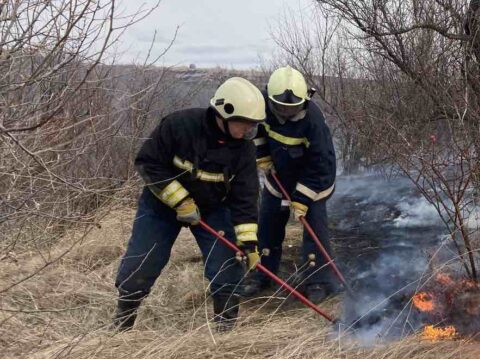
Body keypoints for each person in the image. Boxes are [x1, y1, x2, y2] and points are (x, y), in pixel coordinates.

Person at [112, 77, 265, 332]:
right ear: (223, 113)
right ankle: (122, 324)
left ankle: (225, 333)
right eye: (245, 123)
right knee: (143, 261)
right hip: (162, 205)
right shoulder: (178, 126)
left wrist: (248, 243)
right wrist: (181, 202)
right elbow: (148, 163)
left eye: (253, 125)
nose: (248, 130)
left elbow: (246, 197)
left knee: (228, 265)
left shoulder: (244, 150)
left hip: (214, 208)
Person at [240, 66, 338, 301]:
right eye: (281, 107)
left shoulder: (314, 122)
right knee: (268, 225)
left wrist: (302, 199)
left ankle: (319, 281)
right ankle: (261, 274)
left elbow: (320, 165)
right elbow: (258, 132)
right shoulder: (263, 105)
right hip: (279, 177)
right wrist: (262, 155)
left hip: (313, 182)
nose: (285, 112)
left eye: (291, 108)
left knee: (314, 229)